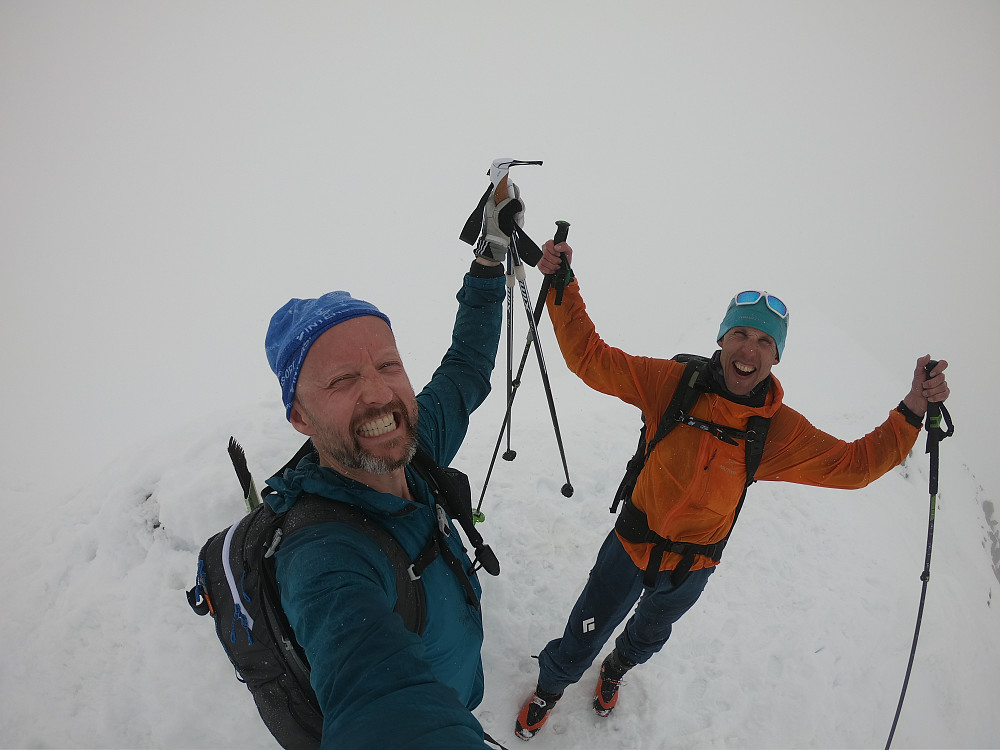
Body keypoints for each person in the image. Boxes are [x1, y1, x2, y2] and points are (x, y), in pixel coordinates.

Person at [514, 239, 950, 741]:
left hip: (693, 566)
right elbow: (590, 358)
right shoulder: (672, 384)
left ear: (776, 357)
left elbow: (853, 465)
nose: (750, 349)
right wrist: (562, 283)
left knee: (649, 635)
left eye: (765, 341)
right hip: (631, 545)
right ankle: (552, 686)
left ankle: (616, 670)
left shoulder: (776, 430)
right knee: (585, 629)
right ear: (721, 339)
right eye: (740, 333)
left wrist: (914, 407)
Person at [261, 188, 524, 748]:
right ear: (300, 417)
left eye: (388, 364)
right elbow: (377, 699)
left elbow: (467, 368)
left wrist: (489, 257)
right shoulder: (324, 558)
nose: (379, 394)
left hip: (457, 689)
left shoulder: (416, 444)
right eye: (342, 380)